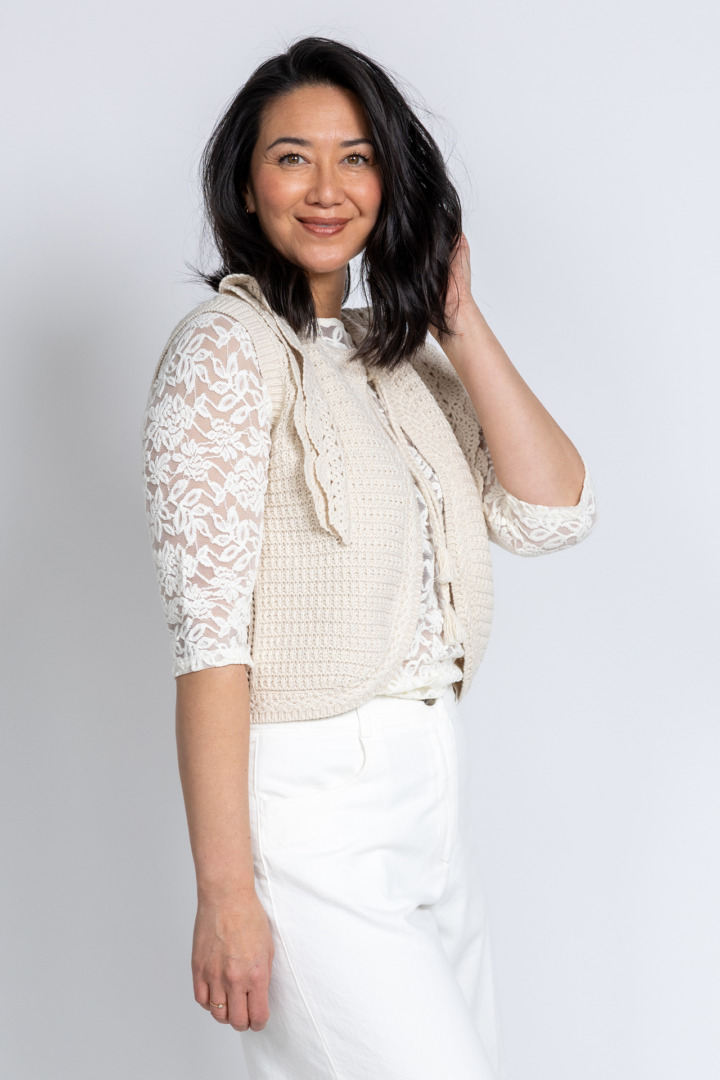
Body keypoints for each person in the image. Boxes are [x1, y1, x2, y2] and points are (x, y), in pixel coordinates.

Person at [141, 35, 597, 1080]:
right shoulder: (223, 353)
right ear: (245, 186)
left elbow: (555, 512)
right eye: (291, 158)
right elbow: (209, 644)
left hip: (432, 794)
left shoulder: (398, 359)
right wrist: (225, 892)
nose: (326, 188)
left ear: (389, 181)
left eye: (356, 157)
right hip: (310, 809)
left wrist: (459, 321)